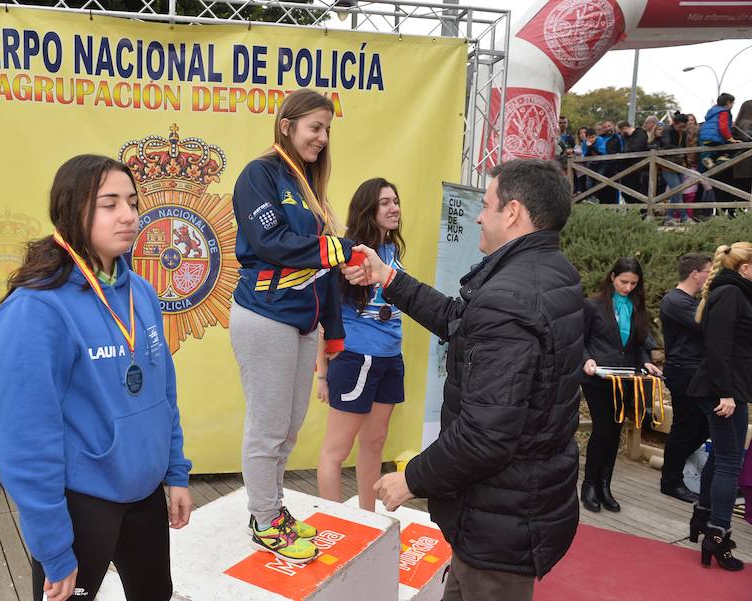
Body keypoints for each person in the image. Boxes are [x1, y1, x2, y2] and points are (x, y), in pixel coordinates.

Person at [343, 159, 584, 601]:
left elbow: (486, 435)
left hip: (501, 522)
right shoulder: (552, 273)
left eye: (487, 204)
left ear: (511, 213)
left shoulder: (511, 295)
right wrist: (388, 278)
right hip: (516, 510)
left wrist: (411, 479)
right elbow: (462, 321)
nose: (477, 215)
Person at [0, 155, 193, 601]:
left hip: (145, 498)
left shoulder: (140, 291)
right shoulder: (37, 308)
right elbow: (24, 441)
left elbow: (164, 393)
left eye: (132, 201)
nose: (129, 215)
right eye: (110, 204)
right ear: (72, 210)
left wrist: (176, 472)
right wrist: (53, 547)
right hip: (82, 507)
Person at [230, 88, 360, 564]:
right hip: (264, 315)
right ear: (287, 125)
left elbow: (322, 269)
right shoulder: (259, 174)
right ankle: (264, 518)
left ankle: (273, 509)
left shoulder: (309, 188)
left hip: (303, 322)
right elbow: (271, 241)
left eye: (327, 129)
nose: (323, 138)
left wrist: (334, 330)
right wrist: (338, 247)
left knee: (287, 429)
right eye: (315, 127)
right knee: (267, 428)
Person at [316, 178, 406, 512]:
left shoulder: (392, 251)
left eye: (395, 201)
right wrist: (322, 374)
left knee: (375, 442)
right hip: (356, 358)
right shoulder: (350, 253)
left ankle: (368, 519)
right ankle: (335, 524)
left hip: (390, 359)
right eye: (385, 202)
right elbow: (327, 314)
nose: (394, 208)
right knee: (336, 451)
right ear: (368, 208)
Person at [686, 242, 752, 571]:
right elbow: (718, 346)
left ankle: (702, 517)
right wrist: (725, 393)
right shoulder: (731, 294)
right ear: (745, 268)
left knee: (722, 458)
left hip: (729, 389)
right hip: (722, 392)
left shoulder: (735, 292)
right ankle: (718, 535)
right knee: (730, 463)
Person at [581, 257, 661, 513]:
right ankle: (590, 485)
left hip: (625, 377)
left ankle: (605, 485)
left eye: (633, 283)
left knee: (615, 432)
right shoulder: (593, 305)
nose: (627, 287)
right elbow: (578, 339)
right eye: (624, 281)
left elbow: (640, 343)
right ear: (612, 276)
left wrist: (647, 362)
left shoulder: (637, 307)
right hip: (597, 376)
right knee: (603, 429)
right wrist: (587, 359)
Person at [660, 253, 713, 502]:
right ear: (695, 273)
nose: (709, 277)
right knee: (684, 427)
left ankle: (677, 467)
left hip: (696, 372)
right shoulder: (676, 301)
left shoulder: (690, 300)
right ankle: (670, 482)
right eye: (708, 272)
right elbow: (707, 325)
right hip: (683, 372)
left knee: (703, 426)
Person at [660, 112, 690, 223]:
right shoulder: (667, 131)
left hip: (680, 163)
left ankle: (670, 216)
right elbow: (666, 145)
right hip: (668, 164)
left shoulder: (684, 133)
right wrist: (680, 151)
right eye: (680, 126)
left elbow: (685, 147)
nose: (682, 129)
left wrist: (686, 161)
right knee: (677, 190)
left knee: (677, 191)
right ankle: (684, 217)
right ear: (675, 124)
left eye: (684, 127)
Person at [699, 93, 739, 170]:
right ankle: (723, 157)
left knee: (714, 148)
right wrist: (730, 138)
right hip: (715, 137)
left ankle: (708, 159)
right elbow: (723, 128)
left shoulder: (713, 112)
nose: (733, 105)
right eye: (732, 103)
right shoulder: (724, 112)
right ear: (728, 102)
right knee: (736, 144)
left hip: (705, 138)